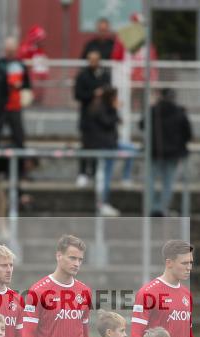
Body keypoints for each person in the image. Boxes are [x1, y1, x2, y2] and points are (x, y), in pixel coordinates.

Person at [140, 89, 191, 217]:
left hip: (154, 152)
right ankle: (162, 208)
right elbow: (188, 134)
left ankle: (151, 208)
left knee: (150, 180)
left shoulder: (154, 110)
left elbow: (142, 125)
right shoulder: (179, 112)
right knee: (168, 182)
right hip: (173, 153)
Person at [83, 85, 123, 217]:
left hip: (107, 144)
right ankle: (102, 203)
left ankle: (126, 179)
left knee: (131, 150)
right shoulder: (101, 108)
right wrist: (115, 110)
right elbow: (108, 123)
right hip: (104, 145)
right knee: (104, 176)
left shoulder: (100, 107)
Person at [74, 50, 111, 187]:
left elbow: (109, 92)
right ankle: (82, 173)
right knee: (85, 146)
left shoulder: (105, 75)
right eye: (91, 60)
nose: (93, 62)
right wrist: (92, 94)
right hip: (86, 117)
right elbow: (78, 95)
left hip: (100, 119)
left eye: (96, 60)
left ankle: (94, 173)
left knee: (97, 146)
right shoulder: (83, 75)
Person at [0, 37, 31, 150]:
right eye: (8, 49)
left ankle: (20, 164)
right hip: (0, 105)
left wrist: (21, 87)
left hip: (15, 105)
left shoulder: (21, 65)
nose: (10, 52)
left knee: (18, 135)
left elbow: (27, 85)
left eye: (12, 49)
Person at [17, 26, 49, 105]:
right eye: (40, 39)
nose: (42, 42)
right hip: (28, 85)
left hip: (38, 85)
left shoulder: (39, 50)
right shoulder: (25, 48)